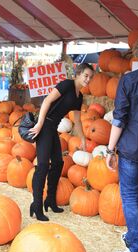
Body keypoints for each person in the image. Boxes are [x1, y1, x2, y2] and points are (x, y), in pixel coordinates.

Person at [106, 33, 138, 252]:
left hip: (131, 148)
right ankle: (133, 237)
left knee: (130, 197)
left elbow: (119, 118)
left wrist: (109, 149)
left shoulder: (129, 79)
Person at [28, 63, 94, 221]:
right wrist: (39, 124)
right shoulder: (66, 85)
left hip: (53, 128)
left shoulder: (79, 96)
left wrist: (83, 138)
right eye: (86, 75)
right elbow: (46, 101)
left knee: (58, 162)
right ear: (77, 74)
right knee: (43, 165)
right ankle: (36, 205)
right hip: (45, 126)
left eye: (91, 77)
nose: (88, 79)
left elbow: (77, 121)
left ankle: (50, 199)